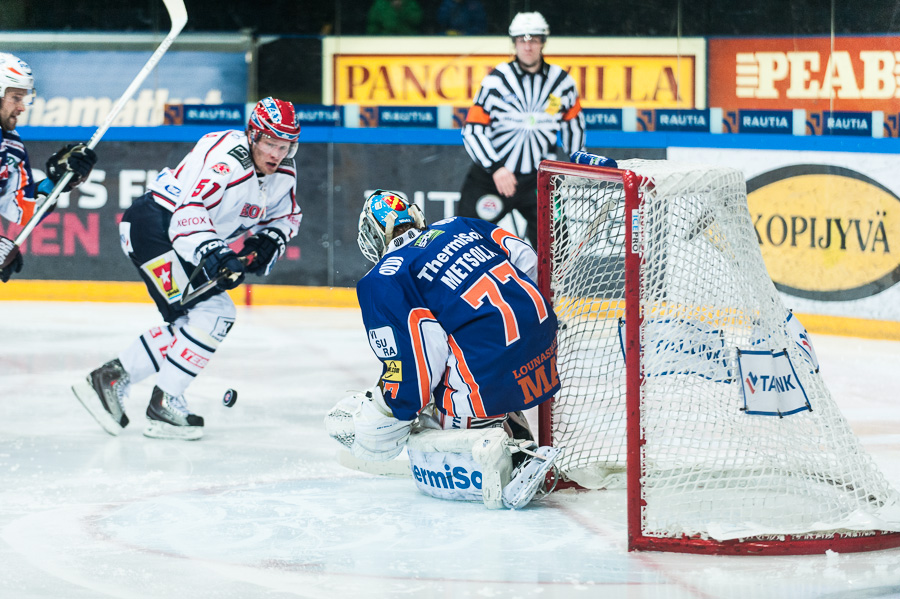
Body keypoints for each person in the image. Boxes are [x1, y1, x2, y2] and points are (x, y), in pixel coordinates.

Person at [72, 97, 303, 441]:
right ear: (253, 135)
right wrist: (215, 252)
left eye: (285, 145)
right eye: (270, 142)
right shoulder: (227, 158)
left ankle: (109, 378)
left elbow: (287, 216)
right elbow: (186, 214)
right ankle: (163, 403)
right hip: (156, 228)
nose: (277, 153)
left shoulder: (282, 172)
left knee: (192, 324)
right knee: (215, 313)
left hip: (177, 235)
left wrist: (267, 241)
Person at [326, 190, 562, 510]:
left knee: (439, 444)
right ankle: (509, 432)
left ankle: (514, 459)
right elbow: (528, 260)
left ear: (372, 235)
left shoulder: (383, 278)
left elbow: (418, 366)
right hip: (542, 342)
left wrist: (393, 413)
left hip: (488, 367)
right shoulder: (459, 224)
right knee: (465, 354)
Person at [458, 12, 585, 245]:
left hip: (540, 179)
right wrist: (496, 168)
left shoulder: (563, 83)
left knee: (557, 247)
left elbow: (574, 132)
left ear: (543, 42)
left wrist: (579, 168)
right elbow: (472, 131)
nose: (528, 46)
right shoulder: (495, 81)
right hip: (492, 176)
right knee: (464, 238)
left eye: (534, 39)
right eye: (522, 40)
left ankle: (547, 284)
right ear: (514, 43)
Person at [0, 52, 97, 282]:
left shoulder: (11, 147)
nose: (22, 107)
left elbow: (21, 208)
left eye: (24, 98)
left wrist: (57, 181)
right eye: (15, 97)